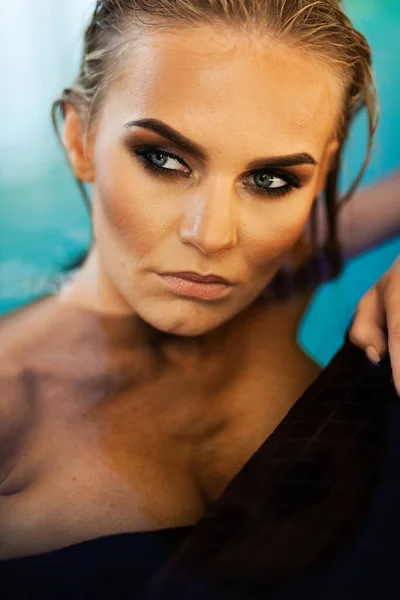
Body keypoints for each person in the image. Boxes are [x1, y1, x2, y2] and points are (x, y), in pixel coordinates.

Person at [0, 0, 399, 598]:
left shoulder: (287, 263)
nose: (213, 236)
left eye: (271, 180)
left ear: (321, 178)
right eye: (163, 159)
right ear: (80, 141)